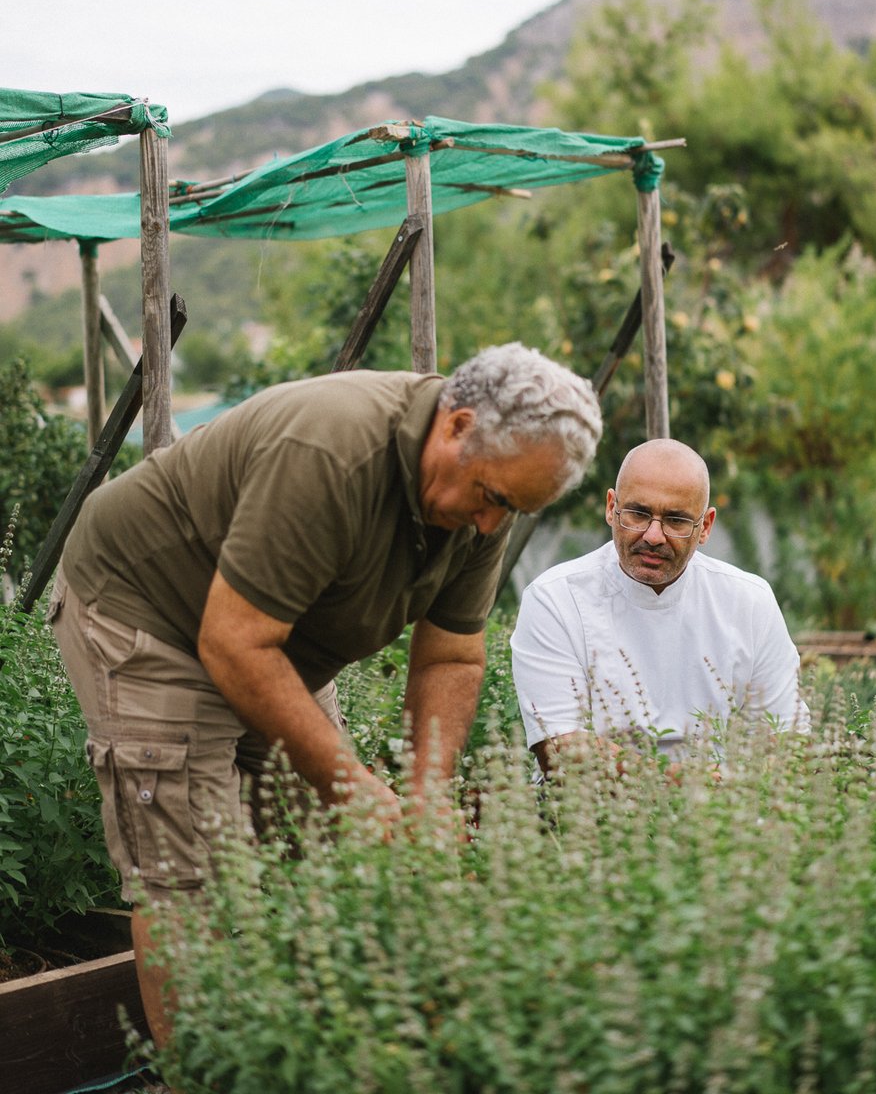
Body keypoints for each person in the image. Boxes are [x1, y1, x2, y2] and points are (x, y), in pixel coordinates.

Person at [50, 343, 602, 1045]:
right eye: (493, 499)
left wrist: (426, 797)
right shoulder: (330, 450)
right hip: (151, 613)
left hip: (271, 640)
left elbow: (453, 654)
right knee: (194, 880)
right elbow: (233, 643)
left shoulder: (487, 495)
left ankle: (307, 1055)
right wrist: (354, 784)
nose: (492, 525)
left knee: (320, 853)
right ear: (457, 425)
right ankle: (208, 1076)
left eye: (515, 510)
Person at [511, 438, 809, 774]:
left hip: (716, 816)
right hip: (585, 814)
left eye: (676, 520)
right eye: (638, 514)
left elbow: (785, 735)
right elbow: (559, 746)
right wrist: (688, 786)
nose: (653, 535)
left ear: (705, 526)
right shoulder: (556, 599)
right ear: (612, 508)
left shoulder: (748, 600)